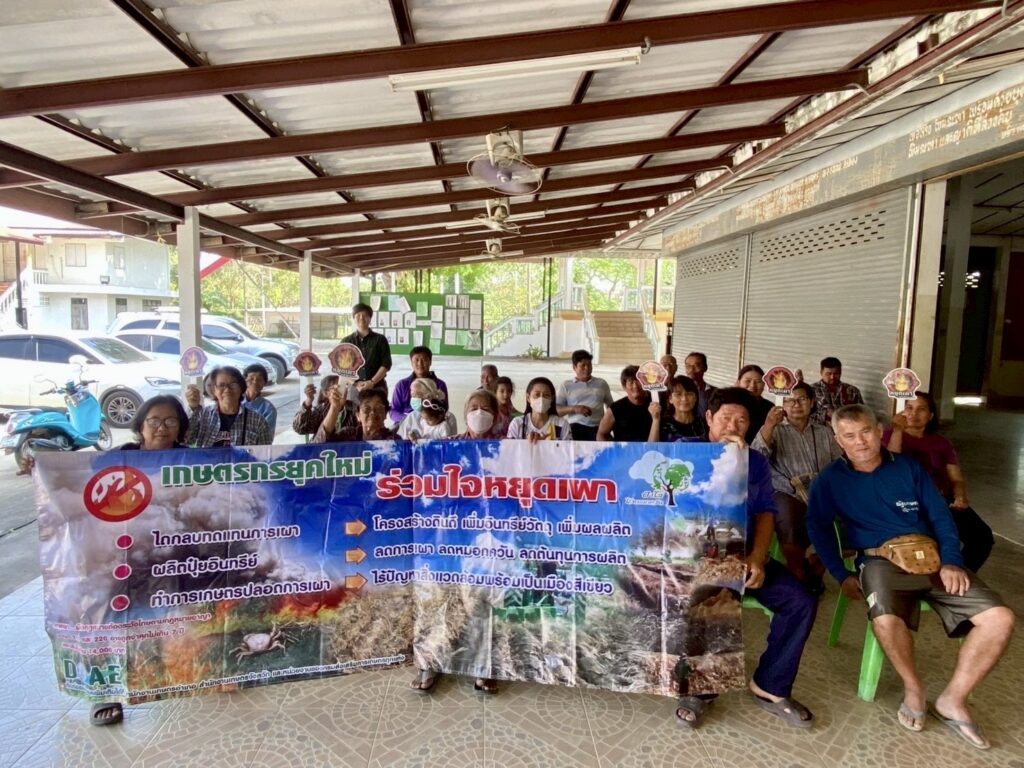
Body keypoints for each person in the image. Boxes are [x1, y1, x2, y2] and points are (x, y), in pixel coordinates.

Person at [807, 405, 1014, 748]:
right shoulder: (829, 480)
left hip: (932, 558)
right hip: (878, 561)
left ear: (880, 431)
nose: (860, 442)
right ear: (838, 440)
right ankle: (913, 687)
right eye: (849, 436)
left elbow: (941, 517)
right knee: (886, 620)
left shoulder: (908, 468)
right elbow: (818, 527)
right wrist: (839, 573)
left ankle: (953, 700)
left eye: (866, 432)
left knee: (1000, 618)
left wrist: (952, 561)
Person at [675, 388, 817, 730]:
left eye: (742, 420)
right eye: (726, 418)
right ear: (709, 418)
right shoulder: (684, 451)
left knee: (800, 601)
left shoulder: (756, 461)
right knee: (715, 596)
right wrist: (726, 465)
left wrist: (757, 556)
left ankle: (770, 685)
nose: (733, 426)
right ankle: (702, 690)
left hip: (744, 553)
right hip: (697, 555)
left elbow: (766, 512)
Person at [89, 395, 192, 725]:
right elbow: (77, 475)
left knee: (172, 607)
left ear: (180, 427)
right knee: (113, 612)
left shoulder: (193, 458)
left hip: (174, 550)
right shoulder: (120, 457)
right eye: (154, 421)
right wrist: (44, 467)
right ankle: (105, 690)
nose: (162, 428)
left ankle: (175, 669)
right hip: (124, 549)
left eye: (171, 421)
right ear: (140, 426)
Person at [411, 388, 503, 695]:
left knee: (480, 603)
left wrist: (535, 448)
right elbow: (422, 468)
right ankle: (430, 662)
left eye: (485, 408)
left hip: (485, 541)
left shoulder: (508, 449)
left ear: (496, 415)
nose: (479, 413)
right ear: (464, 414)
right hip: (446, 537)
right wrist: (415, 448)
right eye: (473, 407)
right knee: (438, 599)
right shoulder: (448, 446)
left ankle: (483, 666)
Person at [883, 392, 994, 572]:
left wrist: (960, 497)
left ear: (931, 416)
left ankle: (958, 576)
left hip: (940, 499)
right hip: (906, 502)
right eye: (909, 408)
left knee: (982, 537)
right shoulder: (888, 435)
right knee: (926, 541)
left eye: (921, 409)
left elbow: (956, 478)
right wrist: (897, 431)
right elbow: (890, 466)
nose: (913, 413)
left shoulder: (941, 443)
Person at [751, 382, 841, 586]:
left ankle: (817, 564)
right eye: (789, 400)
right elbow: (757, 457)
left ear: (812, 402)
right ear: (782, 404)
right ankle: (796, 568)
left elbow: (839, 462)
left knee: (850, 515)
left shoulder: (824, 432)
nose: (796, 405)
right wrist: (769, 425)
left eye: (801, 399)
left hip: (820, 490)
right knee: (789, 515)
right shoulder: (775, 430)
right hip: (785, 490)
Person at [185, 366, 272, 447]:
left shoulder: (258, 422)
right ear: (214, 390)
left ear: (241, 388)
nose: (227, 390)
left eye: (233, 385)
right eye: (221, 385)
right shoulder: (203, 416)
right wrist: (193, 406)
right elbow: (187, 440)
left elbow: (265, 454)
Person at [556, 349, 613, 441]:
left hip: (598, 428)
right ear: (574, 367)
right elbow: (556, 411)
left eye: (589, 365)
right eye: (583, 365)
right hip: (575, 427)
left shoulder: (602, 384)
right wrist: (574, 409)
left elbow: (611, 407)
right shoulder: (566, 385)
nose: (587, 368)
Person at [340, 302, 392, 396]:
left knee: (378, 406)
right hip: (354, 388)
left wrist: (372, 382)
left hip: (377, 386)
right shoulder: (346, 341)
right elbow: (341, 367)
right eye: (358, 315)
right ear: (353, 318)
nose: (361, 318)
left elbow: (386, 364)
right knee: (354, 406)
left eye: (364, 315)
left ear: (370, 318)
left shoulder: (380, 339)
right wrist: (355, 383)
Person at [388, 346, 448, 426]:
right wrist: (409, 420)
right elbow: (393, 411)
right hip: (405, 424)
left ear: (430, 362)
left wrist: (429, 420)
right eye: (416, 360)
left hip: (432, 424)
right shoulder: (401, 385)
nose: (420, 363)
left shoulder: (440, 384)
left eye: (424, 360)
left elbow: (444, 409)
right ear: (411, 363)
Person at [315, 388, 397, 442]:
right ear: (358, 416)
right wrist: (334, 408)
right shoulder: (347, 435)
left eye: (378, 408)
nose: (372, 412)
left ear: (385, 414)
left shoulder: (394, 440)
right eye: (367, 408)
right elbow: (319, 446)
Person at [597, 366, 652, 442]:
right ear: (624, 387)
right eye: (631, 382)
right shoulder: (616, 408)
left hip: (651, 449)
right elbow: (601, 434)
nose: (635, 386)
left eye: (638, 381)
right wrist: (613, 448)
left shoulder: (654, 405)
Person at [507, 377, 572, 441]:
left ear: (552, 399)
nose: (541, 399)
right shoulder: (518, 424)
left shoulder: (561, 424)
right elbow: (510, 447)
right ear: (528, 398)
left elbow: (568, 447)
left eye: (546, 395)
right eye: (537, 395)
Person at [647, 375, 705, 442]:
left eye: (689, 394)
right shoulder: (662, 424)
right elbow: (651, 448)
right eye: (678, 394)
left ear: (695, 398)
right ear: (670, 399)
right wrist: (656, 420)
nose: (684, 399)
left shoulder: (703, 424)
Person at [810, 356, 863, 426]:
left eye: (836, 373)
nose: (832, 377)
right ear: (821, 372)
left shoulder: (852, 391)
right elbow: (805, 416)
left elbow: (861, 413)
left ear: (841, 372)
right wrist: (825, 414)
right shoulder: (811, 390)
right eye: (828, 374)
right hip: (820, 430)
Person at [736, 364, 772, 445]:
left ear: (764, 385)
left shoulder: (769, 408)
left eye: (758, 382)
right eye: (747, 381)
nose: (752, 385)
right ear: (738, 383)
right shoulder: (729, 405)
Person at [242, 364, 277, 436]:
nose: (255, 382)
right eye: (251, 379)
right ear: (244, 381)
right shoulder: (234, 402)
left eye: (259, 379)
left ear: (264, 383)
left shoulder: (268, 409)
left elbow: (267, 436)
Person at [684, 352, 716, 420]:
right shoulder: (677, 392)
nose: (691, 369)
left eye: (697, 365)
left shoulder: (715, 393)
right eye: (688, 366)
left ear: (705, 368)